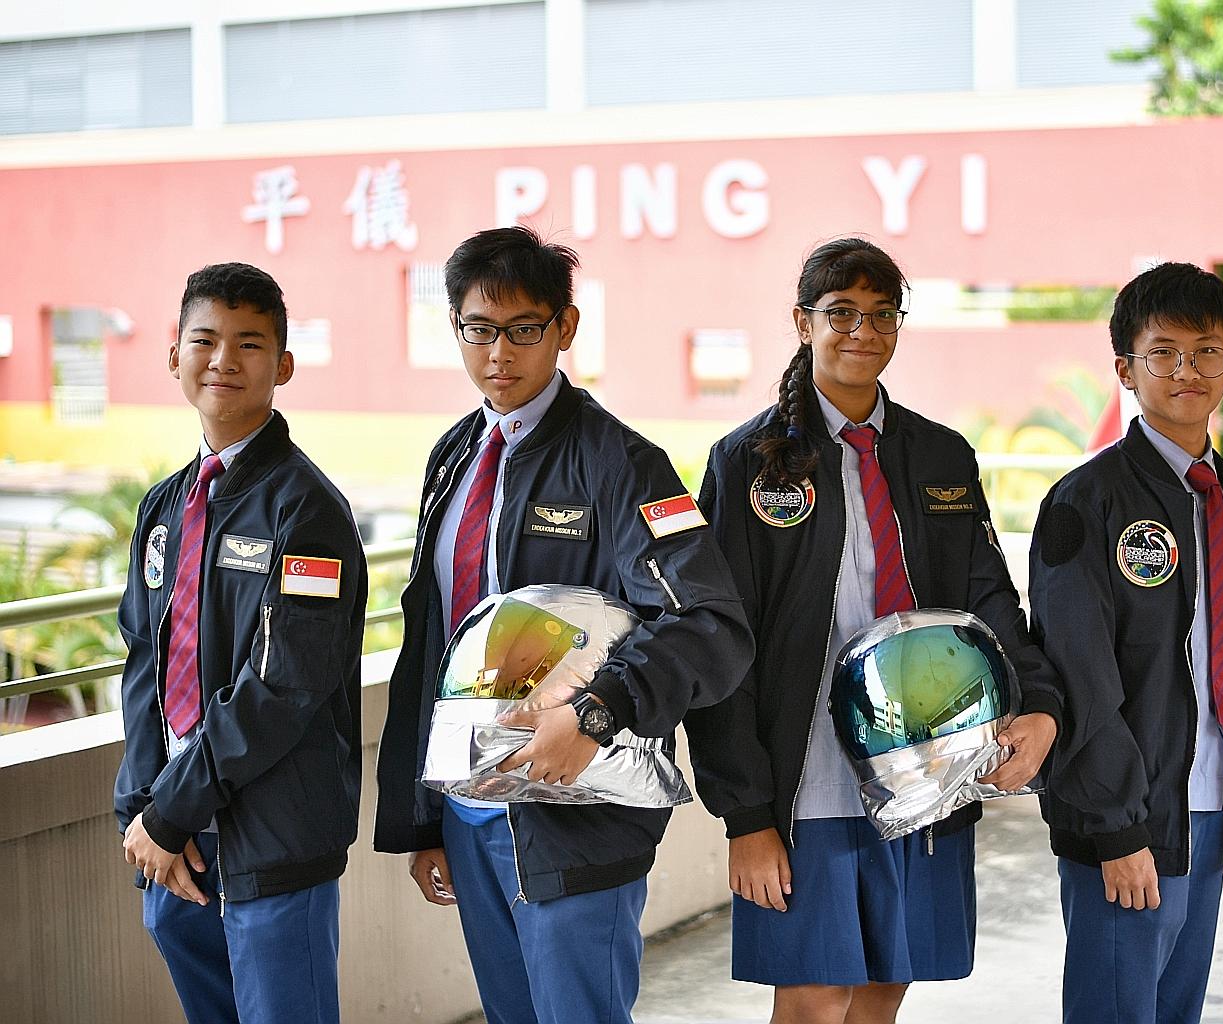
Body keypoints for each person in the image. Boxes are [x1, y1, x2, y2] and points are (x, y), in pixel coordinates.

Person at [372, 226, 753, 1024]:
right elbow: (433, 643)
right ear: (456, 329)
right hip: (470, 812)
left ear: (565, 329)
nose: (499, 353)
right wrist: (420, 817)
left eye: (524, 329)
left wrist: (595, 713)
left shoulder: (623, 464)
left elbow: (707, 622)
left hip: (578, 809)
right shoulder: (455, 457)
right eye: (480, 329)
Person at [684, 237, 1063, 1024]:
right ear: (803, 321)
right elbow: (718, 648)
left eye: (880, 314)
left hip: (929, 763)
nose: (862, 330)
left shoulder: (941, 456)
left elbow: (990, 602)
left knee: (887, 983)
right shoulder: (745, 463)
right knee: (817, 993)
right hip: (806, 777)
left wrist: (1038, 704)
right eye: (841, 313)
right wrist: (747, 818)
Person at [115, 262, 367, 1024]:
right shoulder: (166, 505)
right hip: (177, 835)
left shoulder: (308, 511)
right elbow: (143, 663)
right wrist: (143, 808)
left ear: (282, 366)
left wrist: (170, 810)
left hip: (274, 832)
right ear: (174, 356)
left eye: (249, 344)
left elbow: (284, 687)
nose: (223, 360)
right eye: (205, 339)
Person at [1028, 261, 1223, 1023]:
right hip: (1128, 818)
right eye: (1162, 351)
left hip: (1207, 805)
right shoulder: (1087, 500)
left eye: (1206, 351)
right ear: (1125, 369)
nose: (1186, 370)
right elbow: (1077, 673)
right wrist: (1114, 829)